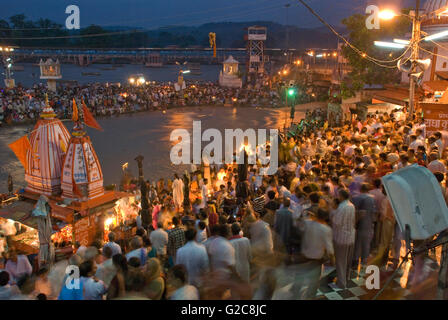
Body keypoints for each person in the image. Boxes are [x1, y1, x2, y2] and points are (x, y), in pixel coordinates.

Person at [330, 189, 356, 289]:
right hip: (350, 236)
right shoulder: (351, 205)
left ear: (341, 196)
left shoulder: (341, 207)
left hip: (341, 238)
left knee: (340, 261)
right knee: (347, 261)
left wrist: (332, 213)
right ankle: (346, 278)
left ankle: (341, 284)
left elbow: (337, 222)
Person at [352, 183, 377, 268]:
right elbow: (374, 213)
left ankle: (355, 261)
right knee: (366, 243)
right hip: (368, 223)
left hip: (357, 223)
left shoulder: (355, 198)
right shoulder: (372, 198)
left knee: (357, 243)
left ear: (360, 189)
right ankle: (364, 261)